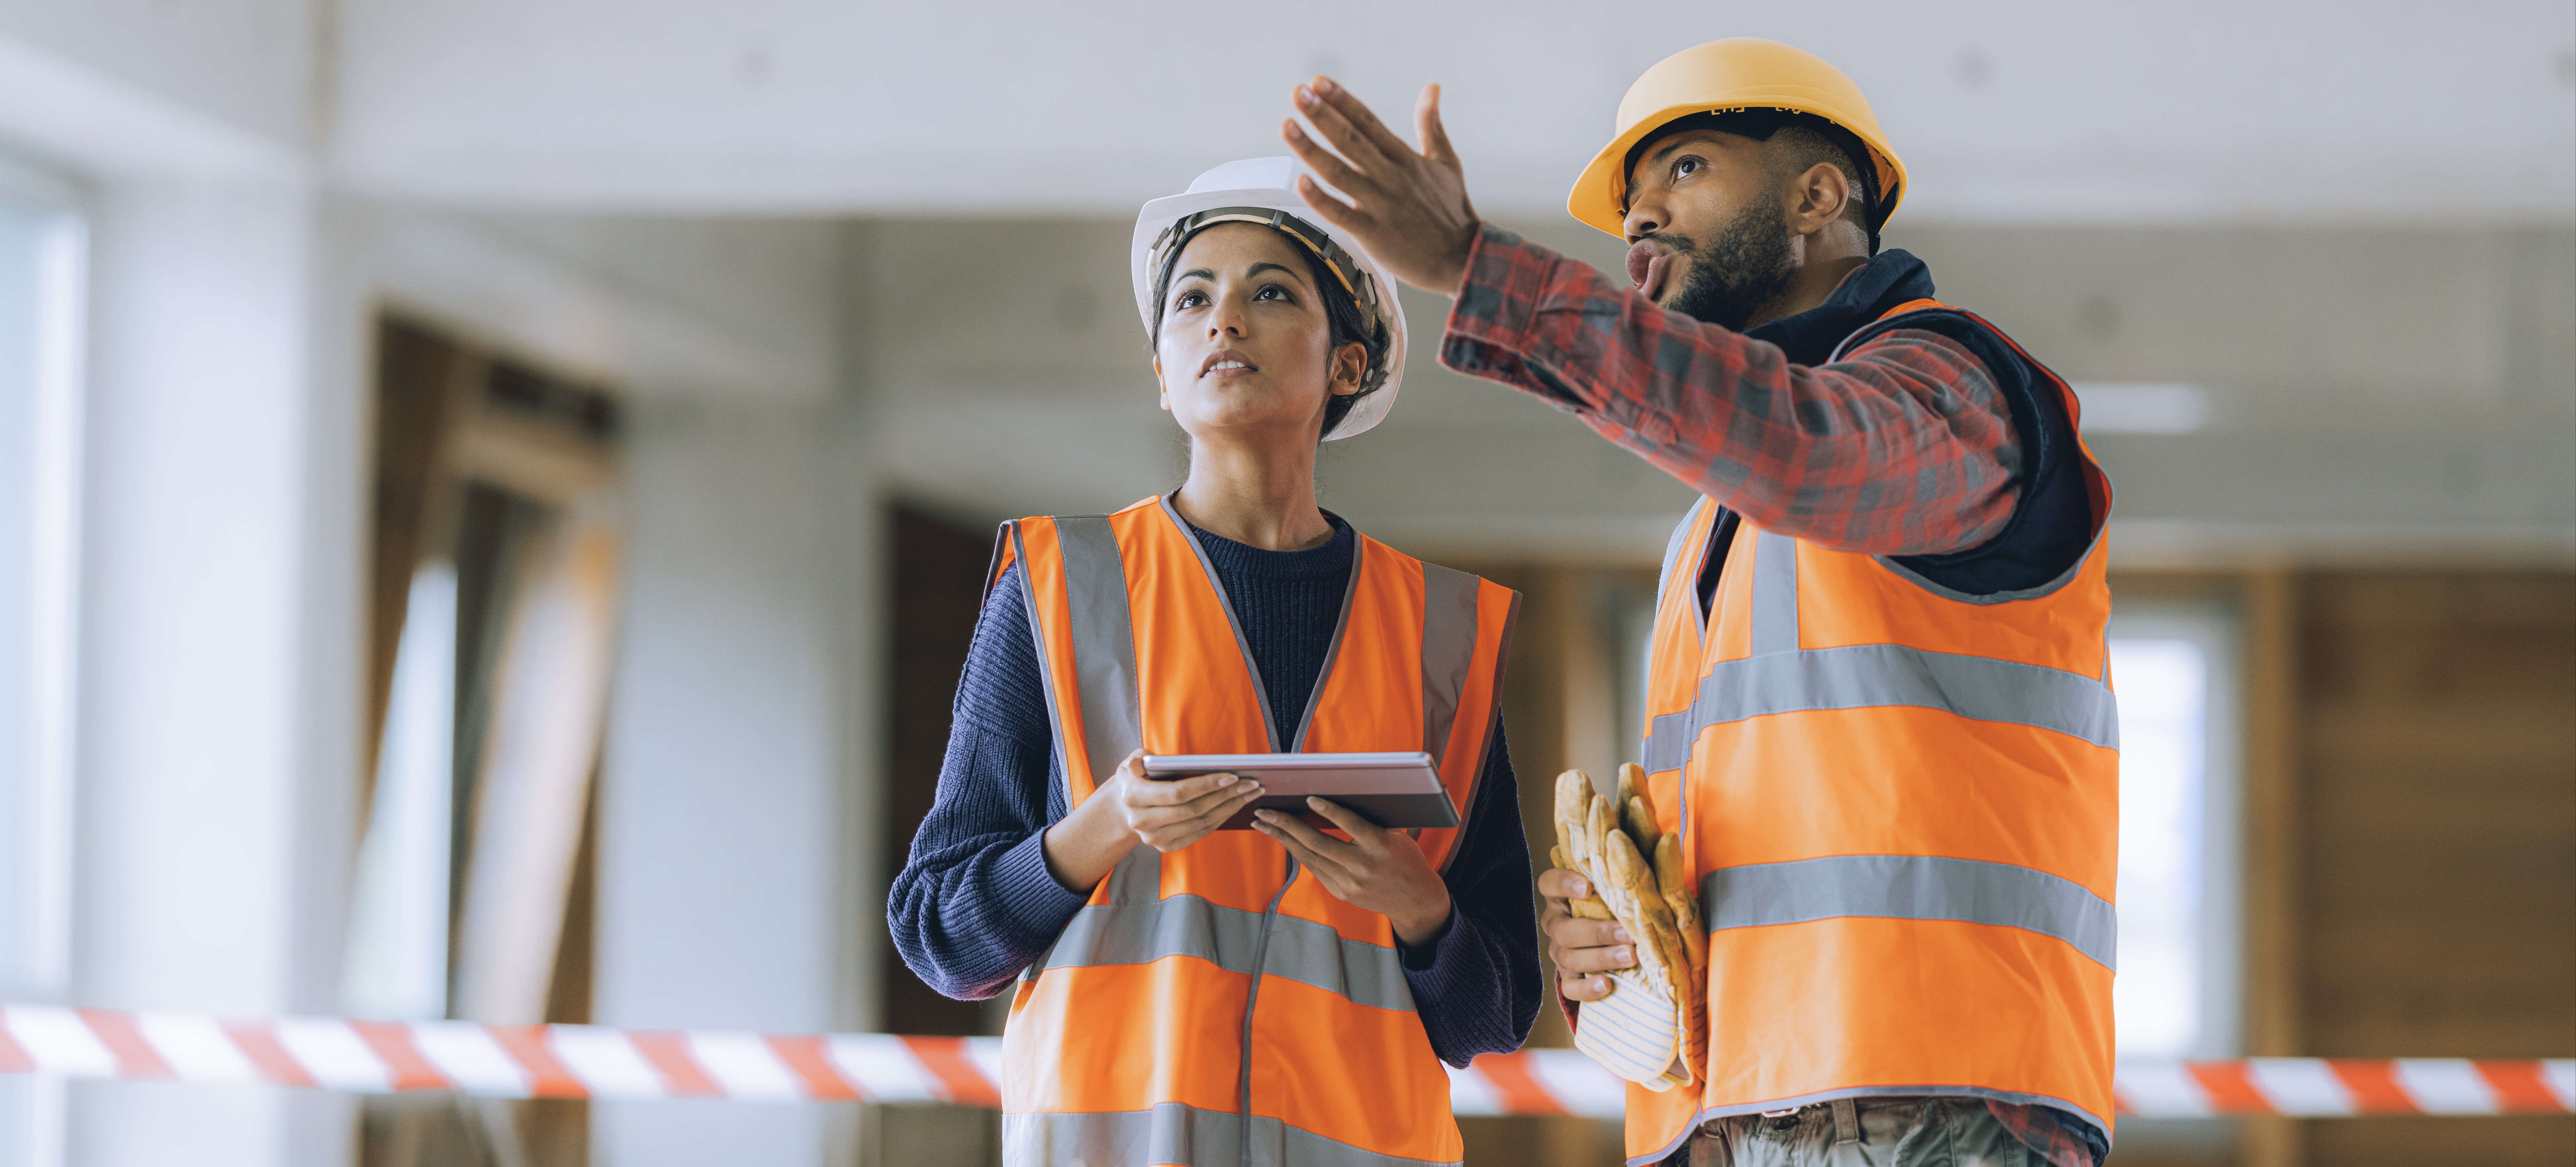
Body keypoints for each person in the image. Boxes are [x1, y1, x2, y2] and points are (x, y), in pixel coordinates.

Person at [1276, 39, 2117, 1167]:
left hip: (1935, 1100)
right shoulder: (1708, 533)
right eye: (1631, 199)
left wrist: (1481, 268)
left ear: (1818, 195)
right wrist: (1621, 955)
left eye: (1685, 169)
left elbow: (1805, 448)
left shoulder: (1960, 393)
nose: (1640, 220)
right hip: (1725, 1115)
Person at [886, 157, 1541, 1167]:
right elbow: (941, 937)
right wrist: (1102, 829)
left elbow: (1493, 1019)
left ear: (1348, 367)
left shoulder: (1440, 632)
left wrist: (1419, 905)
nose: (1222, 320)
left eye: (1270, 293)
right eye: (1193, 299)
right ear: (1162, 372)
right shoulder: (1062, 585)